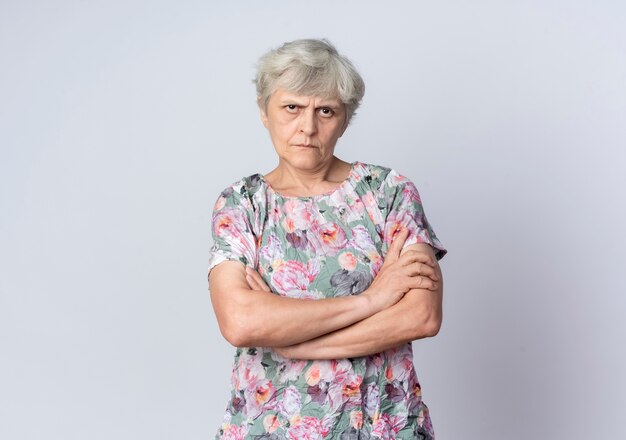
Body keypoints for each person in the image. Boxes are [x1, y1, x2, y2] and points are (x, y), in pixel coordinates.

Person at [207, 38, 447, 440]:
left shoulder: (389, 192)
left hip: (382, 423)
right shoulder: (242, 203)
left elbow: (420, 315)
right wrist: (372, 300)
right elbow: (241, 321)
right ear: (264, 111)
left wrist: (296, 344)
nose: (307, 127)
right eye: (291, 108)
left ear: (345, 118)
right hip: (270, 427)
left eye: (326, 111)